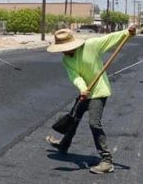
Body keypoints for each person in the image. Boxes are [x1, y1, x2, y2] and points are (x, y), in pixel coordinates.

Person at [45, 25, 136, 174]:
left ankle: (107, 161)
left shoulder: (91, 46)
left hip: (99, 91)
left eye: (65, 47)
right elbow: (74, 75)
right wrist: (82, 88)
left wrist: (127, 32)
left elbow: (110, 39)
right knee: (73, 118)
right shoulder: (66, 60)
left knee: (94, 123)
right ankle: (64, 145)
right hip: (85, 92)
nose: (63, 51)